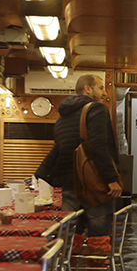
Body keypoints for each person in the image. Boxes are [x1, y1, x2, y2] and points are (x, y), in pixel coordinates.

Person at [35, 74, 122, 254]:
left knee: (71, 236)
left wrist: (40, 176)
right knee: (99, 238)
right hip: (94, 184)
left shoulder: (61, 118)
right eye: (100, 87)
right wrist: (112, 178)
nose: (104, 92)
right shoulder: (96, 109)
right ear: (88, 89)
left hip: (69, 185)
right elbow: (99, 146)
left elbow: (59, 149)